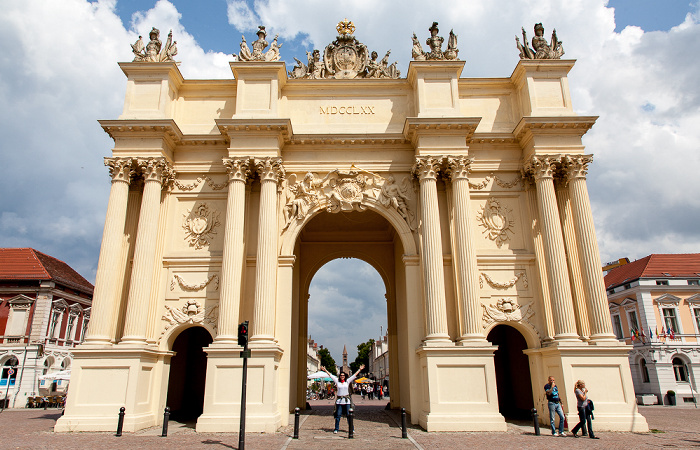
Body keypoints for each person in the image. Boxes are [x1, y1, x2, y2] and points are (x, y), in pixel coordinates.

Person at [321, 364, 364, 434]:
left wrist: (360, 369)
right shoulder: (337, 381)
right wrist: (325, 370)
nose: (342, 377)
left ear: (345, 376)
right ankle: (336, 428)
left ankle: (351, 428)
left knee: (349, 415)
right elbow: (331, 375)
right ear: (339, 376)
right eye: (341, 376)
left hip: (347, 401)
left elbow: (354, 376)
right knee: (338, 415)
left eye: (343, 376)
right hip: (339, 401)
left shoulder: (347, 381)